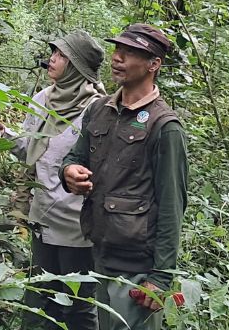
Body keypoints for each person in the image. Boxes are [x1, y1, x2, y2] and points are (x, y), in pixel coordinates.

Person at [60, 24, 188, 330]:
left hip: (137, 267)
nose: (118, 58)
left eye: (130, 53)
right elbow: (76, 156)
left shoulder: (165, 126)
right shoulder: (99, 109)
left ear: (154, 64)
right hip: (101, 254)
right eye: (118, 50)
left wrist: (161, 277)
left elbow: (172, 206)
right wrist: (69, 172)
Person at [10, 30, 107, 330]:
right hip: (42, 215)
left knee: (78, 307)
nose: (53, 58)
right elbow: (32, 150)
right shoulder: (42, 98)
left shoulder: (97, 109)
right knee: (42, 300)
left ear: (77, 65)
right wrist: (6, 138)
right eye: (54, 52)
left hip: (77, 224)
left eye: (62, 55)